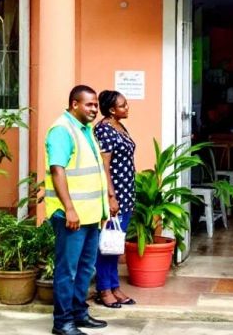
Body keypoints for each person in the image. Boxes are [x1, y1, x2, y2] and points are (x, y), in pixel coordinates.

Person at [45, 85, 110, 335]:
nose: (94, 109)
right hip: (71, 216)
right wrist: (69, 209)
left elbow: (93, 173)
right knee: (67, 270)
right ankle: (62, 322)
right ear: (74, 104)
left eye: (95, 104)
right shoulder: (62, 130)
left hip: (91, 215)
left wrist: (103, 208)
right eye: (89, 104)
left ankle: (79, 314)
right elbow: (57, 170)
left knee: (85, 268)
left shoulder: (86, 130)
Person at [93, 90, 137, 309]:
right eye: (123, 105)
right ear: (111, 110)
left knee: (115, 244)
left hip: (126, 194)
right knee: (108, 243)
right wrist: (111, 196)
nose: (127, 107)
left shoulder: (119, 126)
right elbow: (104, 166)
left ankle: (114, 285)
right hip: (115, 194)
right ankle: (104, 289)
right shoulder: (104, 130)